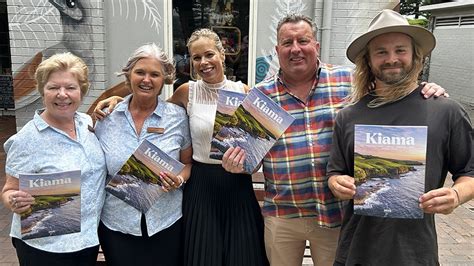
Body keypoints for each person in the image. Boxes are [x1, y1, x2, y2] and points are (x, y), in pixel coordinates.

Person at [222, 13, 447, 266]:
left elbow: (395, 85)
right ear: (277, 50)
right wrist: (235, 163)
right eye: (287, 43)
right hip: (282, 214)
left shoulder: (350, 82)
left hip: (335, 213)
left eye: (303, 40)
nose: (295, 49)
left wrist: (426, 88)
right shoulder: (261, 96)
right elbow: (247, 159)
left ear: (316, 46)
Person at [94, 29, 269, 266]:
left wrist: (245, 163)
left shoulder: (244, 92)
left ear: (222, 54)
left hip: (237, 185)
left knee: (243, 255)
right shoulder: (187, 92)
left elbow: (256, 156)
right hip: (201, 184)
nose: (203, 63)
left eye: (209, 55)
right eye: (196, 58)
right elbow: (151, 105)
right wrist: (116, 99)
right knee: (203, 256)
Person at [326, 9, 474, 265]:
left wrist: (456, 196)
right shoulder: (348, 116)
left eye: (400, 50)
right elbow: (335, 173)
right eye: (381, 51)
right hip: (357, 251)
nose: (391, 58)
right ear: (369, 60)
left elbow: (470, 172)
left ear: (416, 56)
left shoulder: (445, 111)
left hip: (415, 254)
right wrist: (338, 183)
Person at [1, 52, 106, 266]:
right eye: (53, 87)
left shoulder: (86, 123)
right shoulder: (26, 140)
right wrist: (14, 200)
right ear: (42, 91)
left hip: (87, 240)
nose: (62, 94)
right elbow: (9, 189)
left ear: (82, 91)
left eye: (70, 87)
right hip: (45, 246)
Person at [93, 43, 192, 266]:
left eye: (154, 74)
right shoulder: (107, 117)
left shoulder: (177, 117)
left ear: (164, 79)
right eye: (140, 72)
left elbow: (187, 163)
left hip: (166, 223)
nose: (146, 79)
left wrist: (179, 178)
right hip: (117, 225)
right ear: (129, 75)